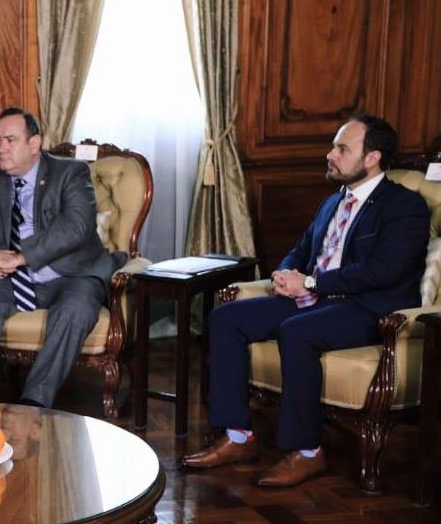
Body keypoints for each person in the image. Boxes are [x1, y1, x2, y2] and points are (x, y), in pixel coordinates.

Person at [182, 114, 429, 487]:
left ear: (373, 157)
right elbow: (300, 251)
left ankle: (308, 452)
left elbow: (382, 272)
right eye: (334, 146)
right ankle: (237, 437)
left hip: (367, 307)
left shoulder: (403, 206)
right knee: (225, 318)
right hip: (317, 297)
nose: (330, 154)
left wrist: (311, 282)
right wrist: (284, 275)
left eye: (342, 148)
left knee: (296, 331)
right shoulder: (332, 202)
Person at [0, 107, 125, 407]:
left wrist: (20, 257)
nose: (1, 148)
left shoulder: (71, 173)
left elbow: (76, 227)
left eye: (10, 140)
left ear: (34, 144)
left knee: (76, 309)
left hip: (69, 275)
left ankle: (34, 403)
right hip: (9, 280)